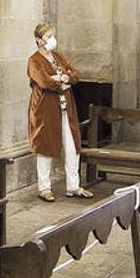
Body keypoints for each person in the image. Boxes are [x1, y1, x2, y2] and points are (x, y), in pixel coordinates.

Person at [27, 23, 91, 202]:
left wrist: (66, 77)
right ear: (39, 40)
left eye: (52, 35)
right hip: (45, 109)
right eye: (48, 36)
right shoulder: (34, 60)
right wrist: (61, 81)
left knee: (72, 146)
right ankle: (44, 187)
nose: (52, 39)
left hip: (65, 108)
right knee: (45, 147)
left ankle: (73, 186)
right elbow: (43, 81)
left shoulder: (58, 57)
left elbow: (76, 73)